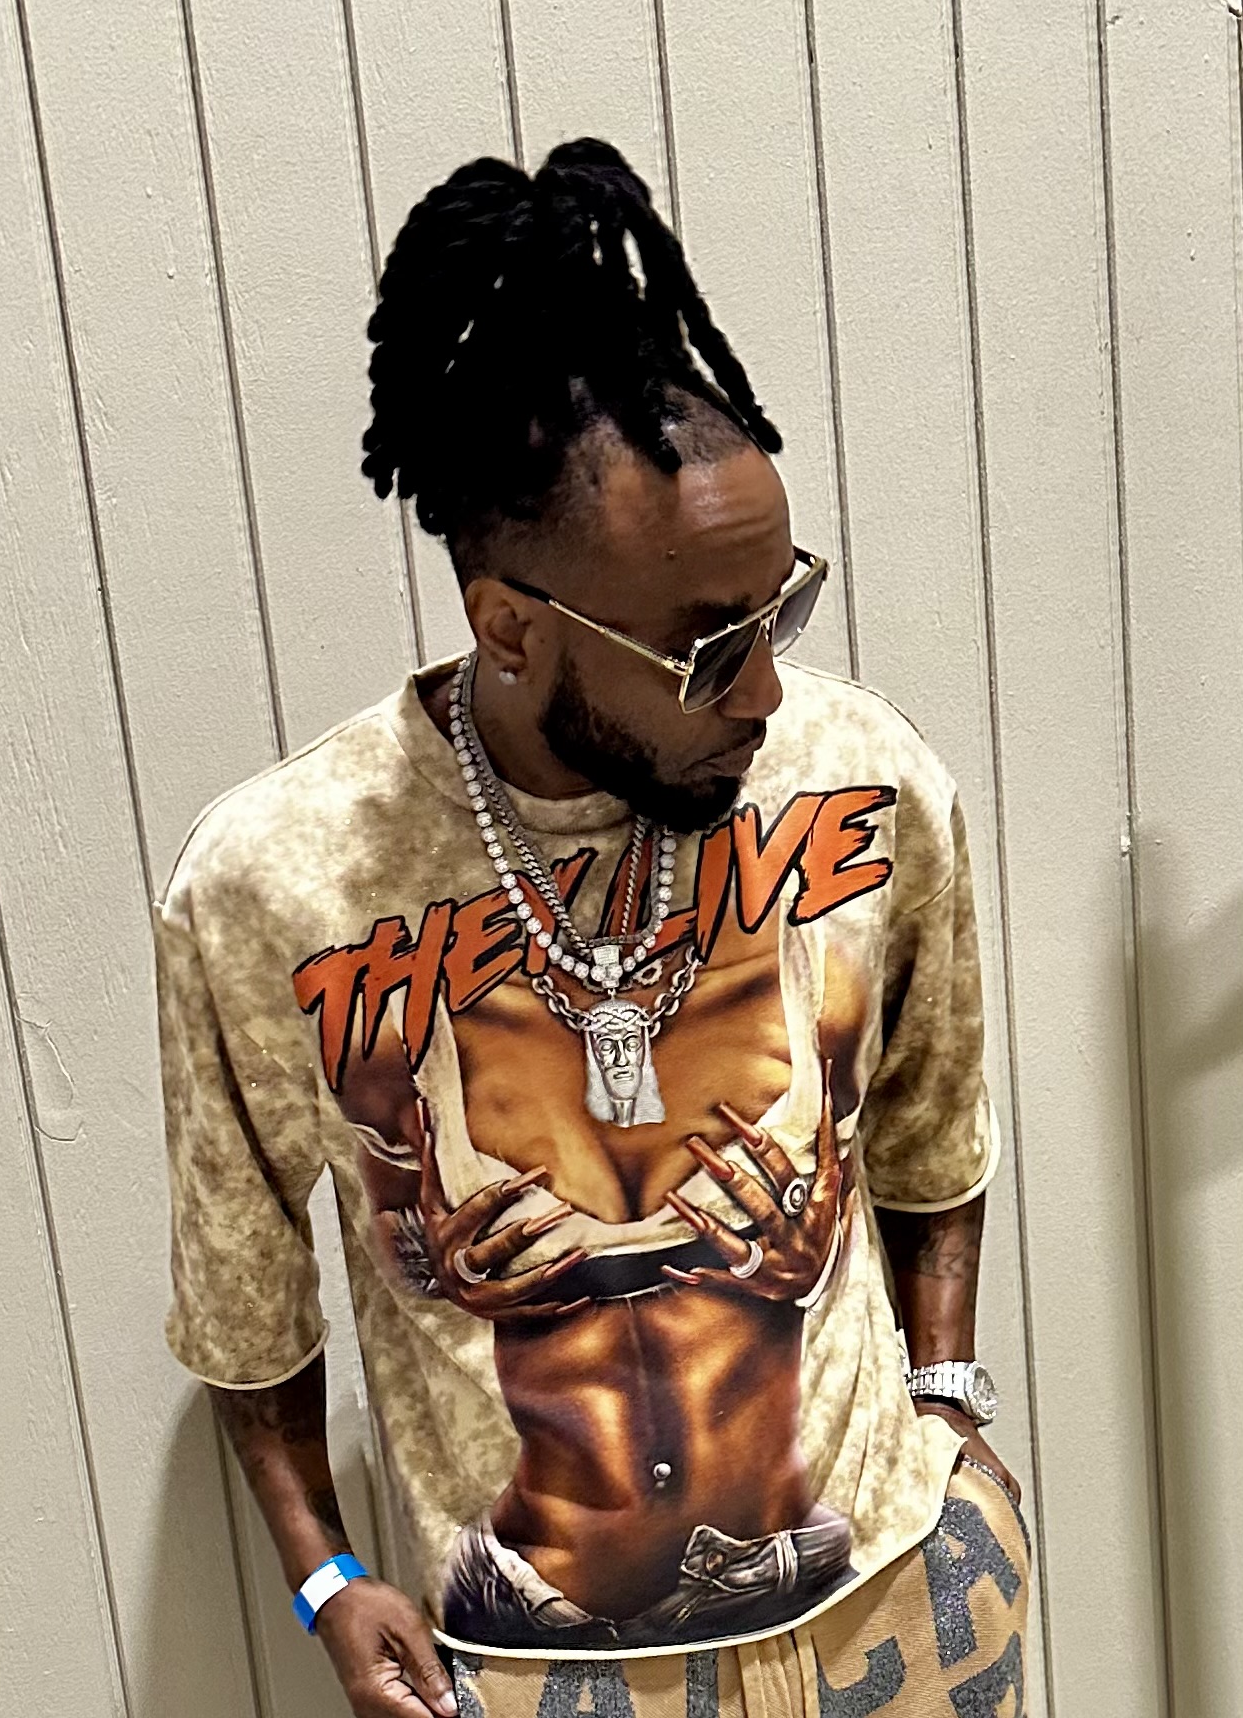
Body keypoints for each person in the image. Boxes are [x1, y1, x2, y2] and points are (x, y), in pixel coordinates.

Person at [154, 138, 1031, 1718]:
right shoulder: (280, 882)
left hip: (896, 1599)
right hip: (548, 1663)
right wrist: (325, 1577)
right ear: (508, 623)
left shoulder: (857, 778)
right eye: (703, 650)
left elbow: (932, 1123)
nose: (761, 691)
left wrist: (947, 1400)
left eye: (780, 609)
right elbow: (242, 1295)